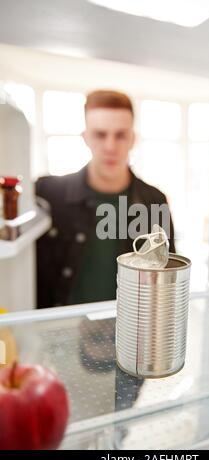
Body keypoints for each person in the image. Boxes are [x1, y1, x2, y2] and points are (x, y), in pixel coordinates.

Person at [36, 90, 175, 308]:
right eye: (100, 134)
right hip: (59, 333)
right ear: (86, 138)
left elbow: (166, 282)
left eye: (120, 135)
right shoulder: (48, 193)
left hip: (128, 332)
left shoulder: (154, 201)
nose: (110, 146)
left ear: (132, 139)